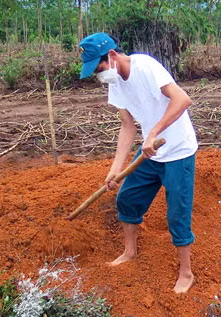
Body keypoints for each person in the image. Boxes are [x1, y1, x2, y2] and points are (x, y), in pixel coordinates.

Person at [79, 32, 198, 294]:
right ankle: (130, 251)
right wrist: (115, 169)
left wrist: (153, 132)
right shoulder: (115, 84)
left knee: (177, 214)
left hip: (178, 151)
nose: (99, 75)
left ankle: (186, 272)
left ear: (112, 56)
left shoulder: (145, 67)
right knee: (127, 198)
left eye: (99, 68)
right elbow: (127, 126)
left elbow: (182, 99)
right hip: (150, 154)